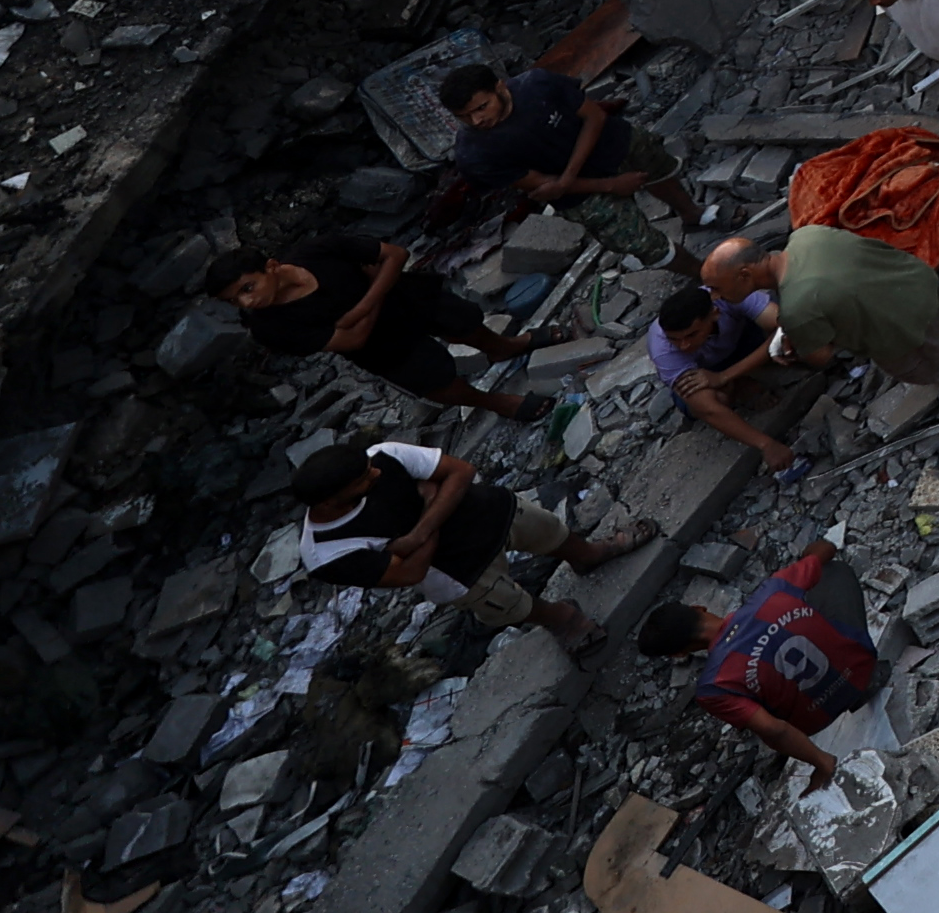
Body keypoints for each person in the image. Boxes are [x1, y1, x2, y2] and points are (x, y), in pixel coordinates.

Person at [290, 438, 638, 647]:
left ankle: (589, 555)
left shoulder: (383, 455)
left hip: (487, 511)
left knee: (550, 531)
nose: (376, 473)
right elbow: (410, 574)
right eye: (364, 479)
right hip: (456, 571)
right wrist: (432, 498)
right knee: (510, 604)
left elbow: (461, 471)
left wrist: (418, 534)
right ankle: (560, 619)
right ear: (330, 501)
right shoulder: (326, 552)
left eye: (369, 468)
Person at [700, 227, 939, 395]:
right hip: (921, 284)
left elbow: (821, 356)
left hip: (903, 329)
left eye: (716, 287)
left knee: (934, 363)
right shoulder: (806, 236)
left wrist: (792, 346)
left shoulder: (797, 308)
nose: (714, 297)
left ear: (745, 275)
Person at [226, 236, 546, 424]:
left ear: (271, 267)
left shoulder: (316, 251)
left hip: (405, 298)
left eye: (248, 287)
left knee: (462, 320)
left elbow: (396, 254)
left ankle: (504, 347)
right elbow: (353, 340)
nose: (247, 302)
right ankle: (496, 402)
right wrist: (377, 283)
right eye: (235, 299)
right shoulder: (269, 326)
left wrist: (361, 307)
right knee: (435, 380)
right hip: (379, 346)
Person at [638, 538, 884, 783]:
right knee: (832, 571)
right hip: (858, 670)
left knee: (750, 711)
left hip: (818, 719)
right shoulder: (772, 591)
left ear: (678, 654)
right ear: (699, 608)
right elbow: (827, 549)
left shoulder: (713, 687)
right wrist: (806, 556)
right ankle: (860, 675)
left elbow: (773, 729)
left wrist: (823, 764)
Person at [433, 61, 697, 236]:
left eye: (482, 107)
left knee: (656, 170)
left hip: (608, 143)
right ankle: (702, 277)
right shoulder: (474, 153)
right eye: (463, 117)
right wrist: (610, 185)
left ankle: (692, 214)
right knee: (639, 243)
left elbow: (594, 116)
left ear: (500, 87)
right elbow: (541, 184)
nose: (476, 120)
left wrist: (566, 178)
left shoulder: (537, 85)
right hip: (578, 195)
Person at [648, 281, 804, 469]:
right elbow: (707, 407)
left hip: (744, 340)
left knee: (798, 338)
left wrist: (725, 376)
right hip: (706, 369)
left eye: (691, 335)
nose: (683, 346)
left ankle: (744, 376)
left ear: (715, 314)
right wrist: (766, 445)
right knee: (714, 400)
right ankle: (740, 385)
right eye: (674, 339)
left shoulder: (728, 294)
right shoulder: (661, 347)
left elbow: (784, 326)